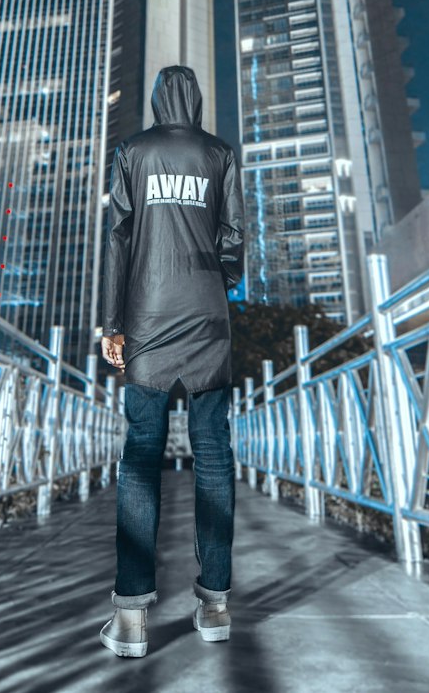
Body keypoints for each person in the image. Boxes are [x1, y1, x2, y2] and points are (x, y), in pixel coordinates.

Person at [98, 64, 244, 659]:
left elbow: (119, 238)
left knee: (140, 460)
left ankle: (131, 619)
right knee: (214, 457)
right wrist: (219, 284)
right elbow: (235, 238)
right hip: (209, 320)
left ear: (159, 100)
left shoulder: (133, 150)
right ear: (198, 100)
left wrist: (113, 324)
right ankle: (214, 606)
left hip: (149, 322)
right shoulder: (220, 154)